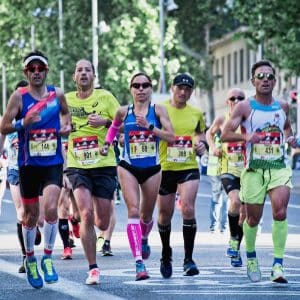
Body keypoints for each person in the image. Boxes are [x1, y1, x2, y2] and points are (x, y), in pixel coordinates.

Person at [0, 50, 71, 289]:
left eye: (41, 68)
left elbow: (66, 114)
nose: (37, 72)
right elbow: (4, 126)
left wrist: (66, 127)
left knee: (51, 209)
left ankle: (47, 257)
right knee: (30, 216)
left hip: (52, 162)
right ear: (26, 73)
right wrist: (23, 123)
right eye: (32, 69)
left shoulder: (56, 94)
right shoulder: (18, 97)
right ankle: (30, 257)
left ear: (46, 71)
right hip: (28, 164)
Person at [221, 60, 297, 283]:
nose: (265, 80)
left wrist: (290, 139)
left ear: (275, 81)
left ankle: (278, 265)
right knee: (253, 219)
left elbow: (285, 128)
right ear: (253, 81)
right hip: (254, 169)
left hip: (278, 168)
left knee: (280, 212)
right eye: (260, 77)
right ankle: (252, 257)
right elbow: (225, 135)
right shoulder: (244, 107)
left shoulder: (283, 106)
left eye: (269, 77)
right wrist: (246, 137)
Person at [101, 72, 175, 280]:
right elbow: (114, 128)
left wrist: (150, 127)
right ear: (131, 89)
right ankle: (139, 263)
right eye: (136, 85)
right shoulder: (123, 111)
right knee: (133, 211)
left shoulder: (158, 110)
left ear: (151, 89)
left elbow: (171, 137)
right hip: (128, 166)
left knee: (146, 215)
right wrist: (107, 144)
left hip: (152, 168)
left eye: (145, 85)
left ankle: (143, 237)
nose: (141, 89)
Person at [65, 59, 120, 285]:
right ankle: (93, 268)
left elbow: (124, 125)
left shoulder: (106, 98)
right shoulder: (65, 100)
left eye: (88, 70)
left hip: (104, 163)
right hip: (77, 164)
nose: (84, 73)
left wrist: (106, 122)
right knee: (86, 213)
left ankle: (91, 229)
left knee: (103, 221)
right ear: (74, 76)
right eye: (79, 70)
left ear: (94, 76)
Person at [156, 73, 207, 278]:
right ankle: (166, 253)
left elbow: (200, 134)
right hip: (165, 167)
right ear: (172, 88)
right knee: (164, 214)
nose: (183, 92)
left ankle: (188, 259)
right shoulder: (160, 110)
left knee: (187, 207)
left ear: (192, 92)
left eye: (188, 89)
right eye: (180, 88)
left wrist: (202, 144)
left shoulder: (196, 112)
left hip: (188, 166)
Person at [206, 88, 246, 267]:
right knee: (235, 201)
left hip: (248, 169)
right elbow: (209, 133)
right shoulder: (222, 119)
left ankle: (235, 245)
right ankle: (233, 238)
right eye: (232, 98)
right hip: (227, 168)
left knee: (244, 213)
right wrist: (213, 147)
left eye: (240, 98)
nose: (236, 100)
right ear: (227, 101)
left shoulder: (250, 119)